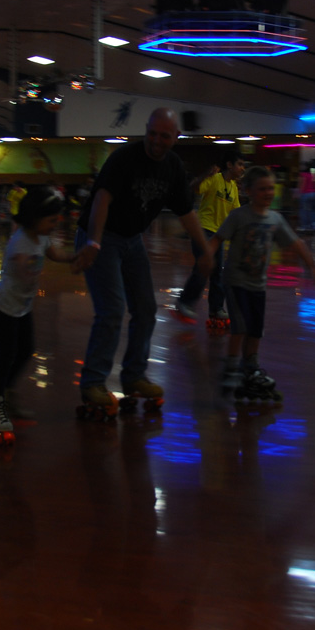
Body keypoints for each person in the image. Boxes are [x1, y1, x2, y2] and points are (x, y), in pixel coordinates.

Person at [70, 108, 213, 417]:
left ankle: (134, 376)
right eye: (152, 133)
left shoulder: (173, 167)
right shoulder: (125, 158)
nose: (156, 140)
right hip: (101, 234)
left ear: (176, 137)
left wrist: (205, 252)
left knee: (146, 309)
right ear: (145, 130)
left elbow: (186, 213)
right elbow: (101, 199)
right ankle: (93, 383)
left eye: (164, 135)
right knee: (111, 310)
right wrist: (93, 242)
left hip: (131, 240)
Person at [211, 165, 315, 401]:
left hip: (258, 284)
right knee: (240, 327)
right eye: (262, 189)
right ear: (248, 191)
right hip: (236, 281)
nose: (268, 193)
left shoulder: (275, 219)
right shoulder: (238, 216)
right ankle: (230, 371)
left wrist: (313, 266)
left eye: (271, 188)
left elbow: (296, 244)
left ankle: (250, 368)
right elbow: (218, 238)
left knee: (256, 329)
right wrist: (205, 259)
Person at [0, 188, 75, 432]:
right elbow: (26, 272)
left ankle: (7, 393)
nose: (56, 224)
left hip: (21, 307)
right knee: (6, 355)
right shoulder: (20, 244)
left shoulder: (41, 236)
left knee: (25, 351)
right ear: (34, 218)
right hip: (3, 307)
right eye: (52, 220)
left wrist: (75, 258)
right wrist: (26, 267)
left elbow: (54, 253)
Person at [176, 151, 244, 324]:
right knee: (205, 266)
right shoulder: (214, 179)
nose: (242, 168)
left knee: (216, 273)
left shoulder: (234, 187)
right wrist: (206, 174)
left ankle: (216, 309)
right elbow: (193, 187)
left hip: (218, 235)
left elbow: (236, 213)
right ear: (229, 165)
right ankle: (185, 302)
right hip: (203, 230)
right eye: (240, 164)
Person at [296, 166, 315, 232]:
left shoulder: (302, 174)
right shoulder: (313, 175)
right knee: (312, 210)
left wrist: (299, 193)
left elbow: (302, 183)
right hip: (314, 193)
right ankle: (312, 226)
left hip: (305, 193)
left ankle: (304, 226)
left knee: (303, 210)